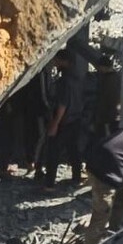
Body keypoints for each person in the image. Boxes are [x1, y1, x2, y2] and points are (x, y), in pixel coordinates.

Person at [82, 122, 123, 244]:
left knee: (121, 200)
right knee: (102, 213)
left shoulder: (122, 133)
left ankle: (113, 233)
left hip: (95, 165)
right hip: (104, 175)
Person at [42, 49, 87, 188]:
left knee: (53, 152)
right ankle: (76, 177)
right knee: (74, 150)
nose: (55, 63)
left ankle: (49, 184)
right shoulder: (79, 78)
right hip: (76, 118)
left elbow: (63, 104)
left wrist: (55, 123)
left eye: (57, 60)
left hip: (64, 121)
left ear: (64, 61)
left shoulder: (64, 81)